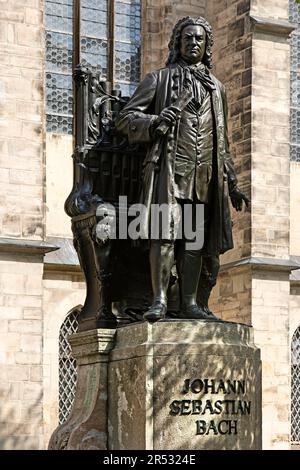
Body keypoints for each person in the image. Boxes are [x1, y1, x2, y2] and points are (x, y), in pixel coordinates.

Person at [116, 16, 249, 322]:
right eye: (187, 38)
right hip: (168, 172)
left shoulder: (218, 89)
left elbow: (223, 142)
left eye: (199, 39)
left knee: (194, 240)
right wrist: (154, 122)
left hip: (204, 175)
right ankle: (160, 300)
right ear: (178, 43)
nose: (193, 44)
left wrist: (232, 182)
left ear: (207, 46)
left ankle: (189, 303)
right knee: (164, 235)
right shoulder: (159, 80)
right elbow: (126, 118)